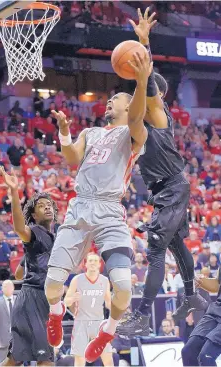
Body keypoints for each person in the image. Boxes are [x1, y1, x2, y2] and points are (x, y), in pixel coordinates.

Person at [44, 51, 151, 363]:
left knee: (123, 289)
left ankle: (109, 327)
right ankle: (55, 311)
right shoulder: (90, 133)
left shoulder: (133, 134)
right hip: (80, 209)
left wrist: (141, 82)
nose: (109, 102)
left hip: (109, 212)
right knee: (52, 287)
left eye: (115, 98)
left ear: (129, 106)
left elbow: (136, 115)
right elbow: (72, 158)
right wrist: (64, 130)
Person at [117, 8, 207, 338]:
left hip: (171, 186)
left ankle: (141, 315)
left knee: (155, 247)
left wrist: (143, 43)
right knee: (175, 243)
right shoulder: (140, 122)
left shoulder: (158, 113)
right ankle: (191, 294)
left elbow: (149, 85)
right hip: (167, 188)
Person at [0, 167, 58, 366]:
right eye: (42, 206)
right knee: (46, 360)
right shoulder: (34, 231)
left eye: (49, 205)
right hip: (33, 299)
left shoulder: (49, 239)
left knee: (14, 360)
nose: (48, 207)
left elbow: (18, 272)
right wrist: (14, 192)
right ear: (33, 213)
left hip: (35, 300)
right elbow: (18, 228)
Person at [64, 252, 113, 367]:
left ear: (100, 264)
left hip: (99, 322)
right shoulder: (77, 279)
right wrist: (72, 298)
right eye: (90, 261)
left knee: (108, 359)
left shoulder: (105, 280)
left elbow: (108, 303)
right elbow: (66, 302)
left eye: (95, 261)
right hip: (81, 322)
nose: (92, 263)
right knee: (80, 361)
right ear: (85, 264)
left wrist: (120, 310)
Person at [181, 268, 221, 366]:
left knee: (206, 356)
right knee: (188, 352)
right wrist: (200, 281)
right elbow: (217, 284)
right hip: (217, 309)